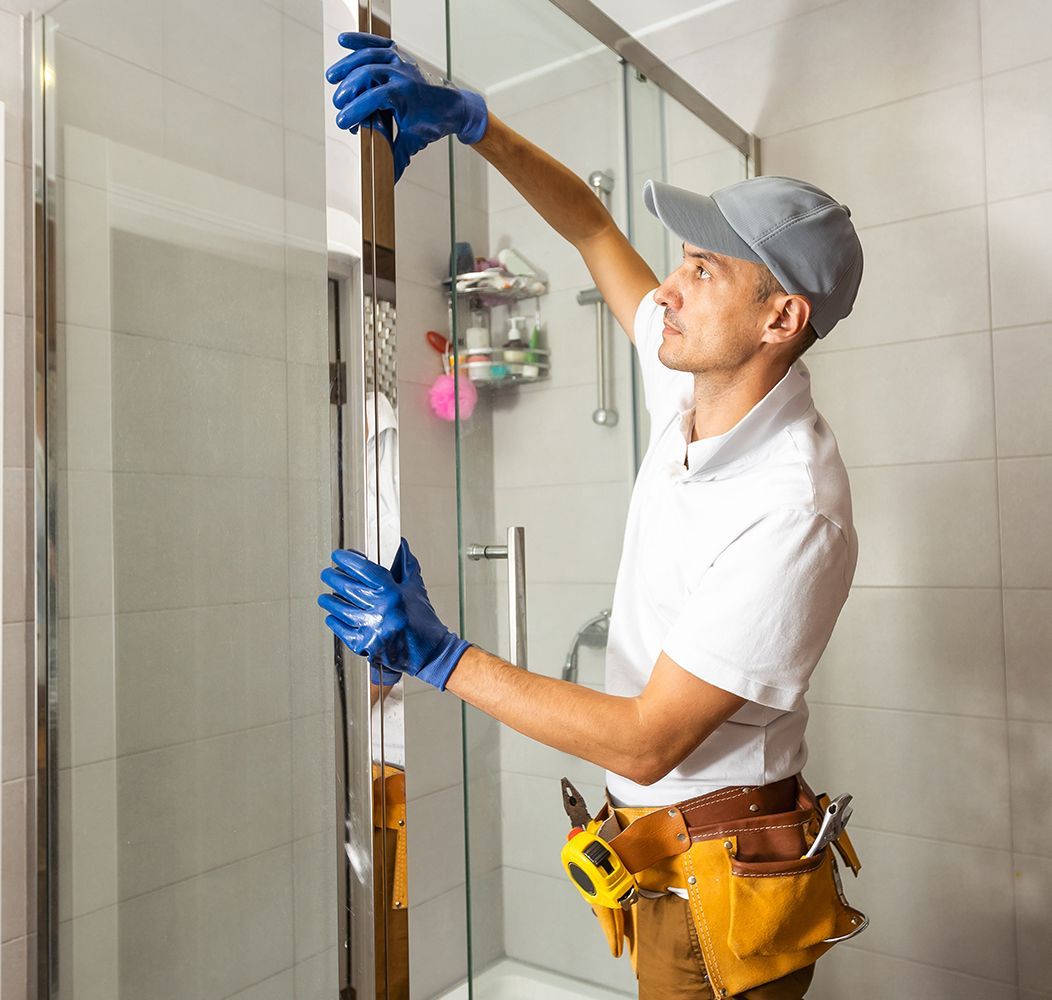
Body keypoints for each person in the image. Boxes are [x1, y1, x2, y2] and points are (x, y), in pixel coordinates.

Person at [318, 32, 867, 1000]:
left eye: (704, 270)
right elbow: (590, 230)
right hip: (665, 868)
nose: (667, 288)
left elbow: (650, 739)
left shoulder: (794, 508)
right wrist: (474, 121)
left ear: (780, 320)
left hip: (719, 893)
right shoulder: (691, 389)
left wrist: (443, 657)